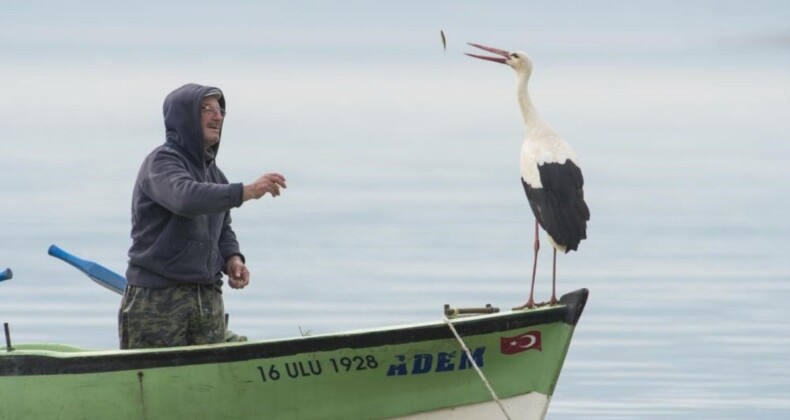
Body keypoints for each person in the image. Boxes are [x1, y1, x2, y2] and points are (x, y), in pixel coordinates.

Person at [119, 83, 287, 349]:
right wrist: (249, 191)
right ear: (184, 118)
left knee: (211, 382)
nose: (217, 116)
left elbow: (223, 230)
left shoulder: (215, 175)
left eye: (220, 109)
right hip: (159, 300)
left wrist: (232, 258)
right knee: (162, 384)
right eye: (206, 109)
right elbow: (185, 198)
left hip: (207, 299)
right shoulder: (162, 163)